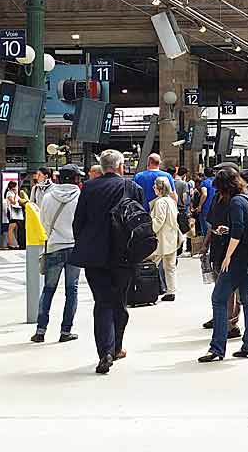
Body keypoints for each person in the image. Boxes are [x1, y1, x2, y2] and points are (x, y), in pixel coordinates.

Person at [69, 150, 144, 375]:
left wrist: (85, 243)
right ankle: (117, 346)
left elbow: (78, 222)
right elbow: (141, 223)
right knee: (119, 301)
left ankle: (105, 352)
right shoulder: (133, 188)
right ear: (121, 166)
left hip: (95, 255)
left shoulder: (89, 188)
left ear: (102, 167)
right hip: (123, 256)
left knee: (102, 302)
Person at [198, 169, 248, 362]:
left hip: (238, 258)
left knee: (218, 299)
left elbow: (238, 232)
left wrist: (227, 256)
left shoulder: (235, 202)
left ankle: (217, 348)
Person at [32, 164, 83, 344]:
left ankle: (40, 330)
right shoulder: (81, 197)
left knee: (48, 289)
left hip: (54, 246)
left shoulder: (47, 197)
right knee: (72, 290)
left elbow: (43, 223)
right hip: (75, 247)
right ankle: (65, 331)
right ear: (77, 179)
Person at [149, 176, 183, 302]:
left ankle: (148, 289)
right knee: (170, 266)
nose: (153, 188)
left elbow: (158, 220)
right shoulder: (171, 201)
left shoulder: (160, 202)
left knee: (152, 264)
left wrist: (149, 229)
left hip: (161, 238)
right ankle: (171, 290)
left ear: (159, 188)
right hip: (172, 237)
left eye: (155, 186)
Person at [194, 168, 215, 237]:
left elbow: (204, 194)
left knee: (205, 230)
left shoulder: (205, 183)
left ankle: (206, 245)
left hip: (206, 208)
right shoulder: (217, 182)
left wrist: (200, 206)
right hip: (215, 207)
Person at [4, 181, 23, 249]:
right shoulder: (9, 193)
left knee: (15, 228)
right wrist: (15, 195)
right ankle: (10, 243)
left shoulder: (15, 193)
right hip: (12, 212)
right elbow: (13, 202)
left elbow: (20, 200)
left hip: (16, 212)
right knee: (11, 228)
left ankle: (14, 243)